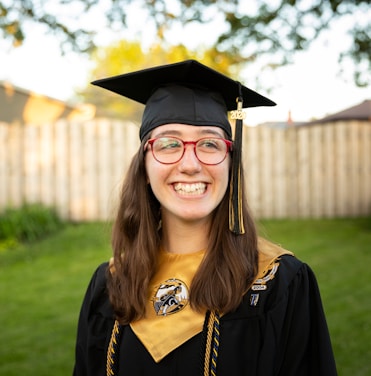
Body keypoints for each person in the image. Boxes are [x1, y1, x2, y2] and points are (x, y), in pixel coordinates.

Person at [73, 60, 337, 376]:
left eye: (209, 144)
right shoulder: (111, 284)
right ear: (144, 166)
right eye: (169, 144)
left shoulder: (277, 284)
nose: (190, 164)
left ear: (230, 162)